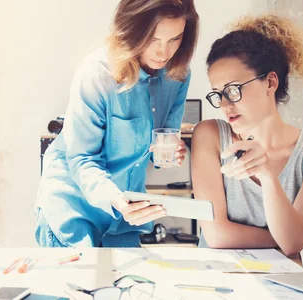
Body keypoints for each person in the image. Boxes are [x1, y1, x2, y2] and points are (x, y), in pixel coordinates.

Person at [35, 0, 199, 248]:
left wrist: (169, 152)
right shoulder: (97, 73)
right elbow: (82, 159)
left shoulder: (178, 74)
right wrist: (115, 199)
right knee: (75, 285)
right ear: (132, 29)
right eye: (154, 39)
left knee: (131, 285)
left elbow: (159, 146)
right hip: (73, 207)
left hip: (124, 217)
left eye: (174, 39)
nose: (163, 53)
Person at [191, 14, 303, 256]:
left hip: (285, 281)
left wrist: (267, 176)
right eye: (218, 93)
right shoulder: (209, 135)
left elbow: (292, 243)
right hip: (217, 278)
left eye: (233, 89)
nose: (224, 104)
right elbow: (217, 236)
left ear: (270, 82)